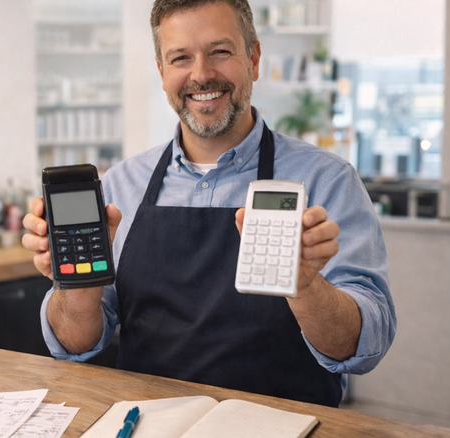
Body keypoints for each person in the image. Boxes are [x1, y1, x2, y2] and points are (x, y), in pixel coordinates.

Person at [22, 0, 396, 408]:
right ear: (162, 72)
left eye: (220, 52)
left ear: (253, 58)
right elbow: (76, 345)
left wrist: (305, 287)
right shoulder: (120, 186)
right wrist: (77, 286)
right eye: (180, 57)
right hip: (149, 425)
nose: (201, 75)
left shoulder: (327, 179)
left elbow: (364, 346)